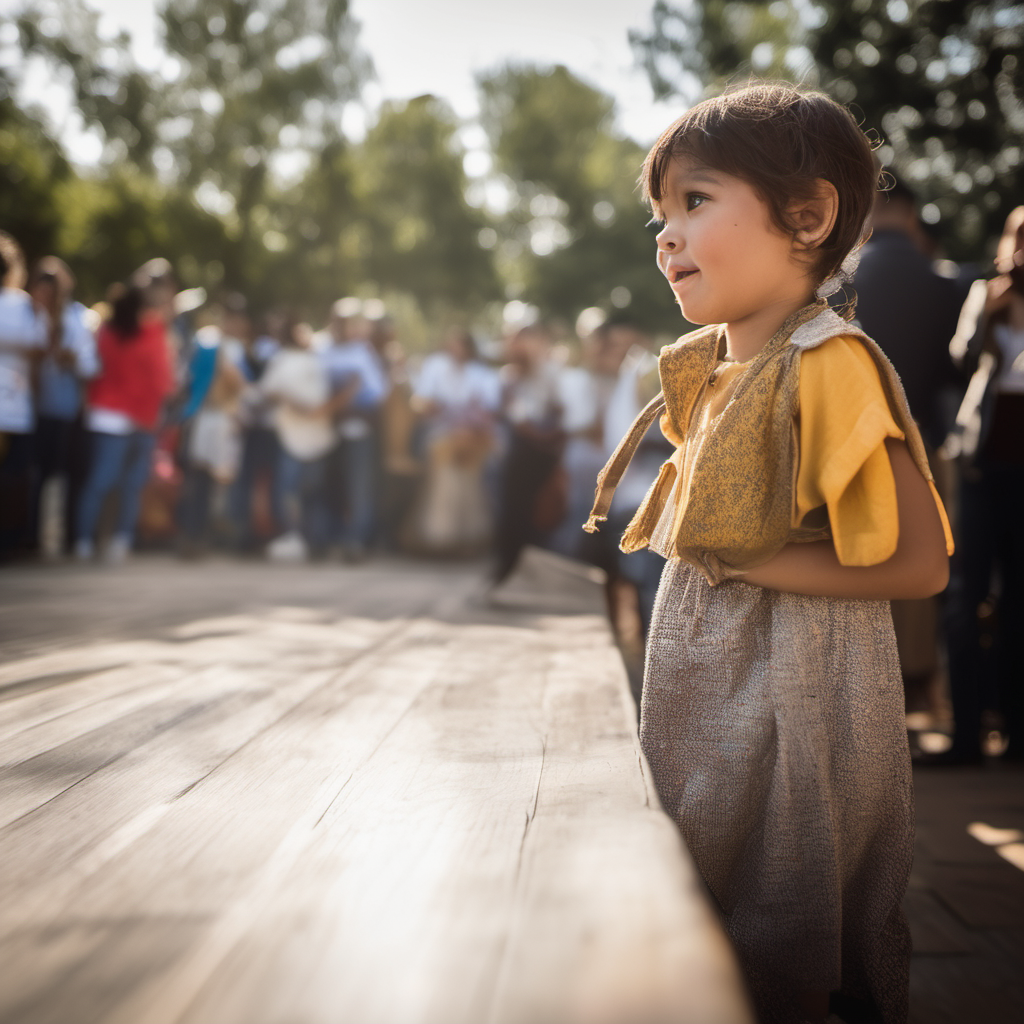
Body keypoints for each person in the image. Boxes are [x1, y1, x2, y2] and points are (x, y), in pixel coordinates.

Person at [585, 84, 952, 1024]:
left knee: (787, 916)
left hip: (796, 687)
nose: (666, 236)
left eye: (695, 203)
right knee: (707, 896)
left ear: (808, 214)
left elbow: (919, 564)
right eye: (659, 215)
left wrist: (744, 566)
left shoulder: (830, 360)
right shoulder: (716, 364)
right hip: (712, 682)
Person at [941, 206, 1024, 763]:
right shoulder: (986, 294)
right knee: (966, 594)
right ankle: (966, 734)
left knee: (1019, 598)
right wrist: (988, 315)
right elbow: (959, 359)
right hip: (983, 461)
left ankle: (1016, 732)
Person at [74, 262, 176, 562]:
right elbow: (161, 377)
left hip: (121, 415)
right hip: (130, 416)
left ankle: (95, 541)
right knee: (119, 483)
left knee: (115, 483)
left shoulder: (112, 328)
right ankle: (106, 541)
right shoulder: (148, 329)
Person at [28, 257, 100, 556]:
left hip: (67, 411)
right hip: (31, 411)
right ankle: (28, 537)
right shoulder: (23, 313)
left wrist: (72, 360)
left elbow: (91, 365)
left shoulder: (78, 318)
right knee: (33, 476)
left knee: (68, 476)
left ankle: (67, 539)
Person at [409, 327, 499, 554]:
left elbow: (488, 409)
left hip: (472, 438)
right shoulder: (435, 366)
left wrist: (470, 427)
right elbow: (422, 401)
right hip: (441, 435)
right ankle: (441, 536)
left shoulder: (482, 374)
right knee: (445, 477)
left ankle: (469, 536)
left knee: (470, 479)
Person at [492, 322, 565, 582]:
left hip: (543, 457)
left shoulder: (554, 373)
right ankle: (507, 570)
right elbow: (510, 416)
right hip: (519, 454)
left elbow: (560, 414)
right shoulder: (510, 376)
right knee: (513, 513)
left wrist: (542, 435)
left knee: (541, 514)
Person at [317, 300, 389, 561]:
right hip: (326, 429)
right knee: (330, 485)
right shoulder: (322, 350)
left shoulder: (362, 353)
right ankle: (332, 536)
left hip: (359, 429)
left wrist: (350, 400)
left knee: (360, 487)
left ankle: (356, 540)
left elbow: (378, 393)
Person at [0, 232, 48, 559]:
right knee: (15, 475)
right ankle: (11, 541)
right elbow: (38, 353)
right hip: (16, 406)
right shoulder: (25, 306)